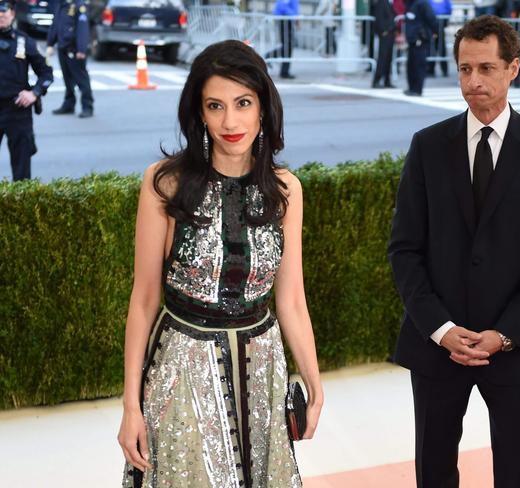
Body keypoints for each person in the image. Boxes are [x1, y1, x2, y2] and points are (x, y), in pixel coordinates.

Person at [117, 40, 324, 487]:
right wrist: (131, 406)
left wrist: (312, 379)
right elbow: (144, 299)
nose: (230, 121)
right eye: (215, 106)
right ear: (200, 114)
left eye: (243, 103)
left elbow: (290, 299)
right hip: (182, 369)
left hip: (263, 369)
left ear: (264, 108)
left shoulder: (287, 190)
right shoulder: (165, 183)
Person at [388, 15, 520, 488]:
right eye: (465, 69)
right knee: (434, 468)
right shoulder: (427, 147)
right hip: (437, 346)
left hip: (511, 346)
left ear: (513, 68)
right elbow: (405, 250)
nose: (474, 82)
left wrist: (505, 333)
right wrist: (442, 329)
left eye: (486, 68)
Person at [0, 0, 53, 181]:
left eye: (4, 11)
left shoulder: (24, 41)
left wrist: (34, 93)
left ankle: (20, 207)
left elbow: (46, 73)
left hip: (17, 110)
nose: (0, 15)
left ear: (12, 14)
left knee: (22, 171)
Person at [46, 0, 94, 118]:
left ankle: (87, 106)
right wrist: (50, 43)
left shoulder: (79, 5)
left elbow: (82, 28)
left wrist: (81, 49)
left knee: (81, 79)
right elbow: (55, 25)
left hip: (74, 49)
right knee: (67, 79)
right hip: (63, 47)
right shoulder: (61, 4)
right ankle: (69, 104)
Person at [403, 0, 436, 96]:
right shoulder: (410, 3)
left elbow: (431, 19)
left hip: (420, 38)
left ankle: (417, 89)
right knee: (411, 65)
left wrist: (435, 31)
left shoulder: (422, 3)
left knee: (418, 65)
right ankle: (412, 88)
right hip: (412, 39)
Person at [371, 0, 397, 88]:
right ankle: (377, 80)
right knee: (383, 57)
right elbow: (379, 17)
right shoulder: (381, 2)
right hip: (385, 34)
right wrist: (383, 31)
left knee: (388, 58)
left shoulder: (388, 2)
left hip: (390, 33)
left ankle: (387, 80)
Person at [273, 0, 299, 79]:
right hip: (285, 20)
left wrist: (296, 17)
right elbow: (282, 5)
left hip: (288, 20)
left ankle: (284, 71)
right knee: (287, 46)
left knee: (288, 46)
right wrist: (293, 15)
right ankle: (284, 71)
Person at [427, 0, 452, 77]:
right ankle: (430, 70)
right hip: (432, 23)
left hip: (441, 23)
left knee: (442, 48)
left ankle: (444, 70)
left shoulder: (446, 1)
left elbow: (449, 9)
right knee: (432, 48)